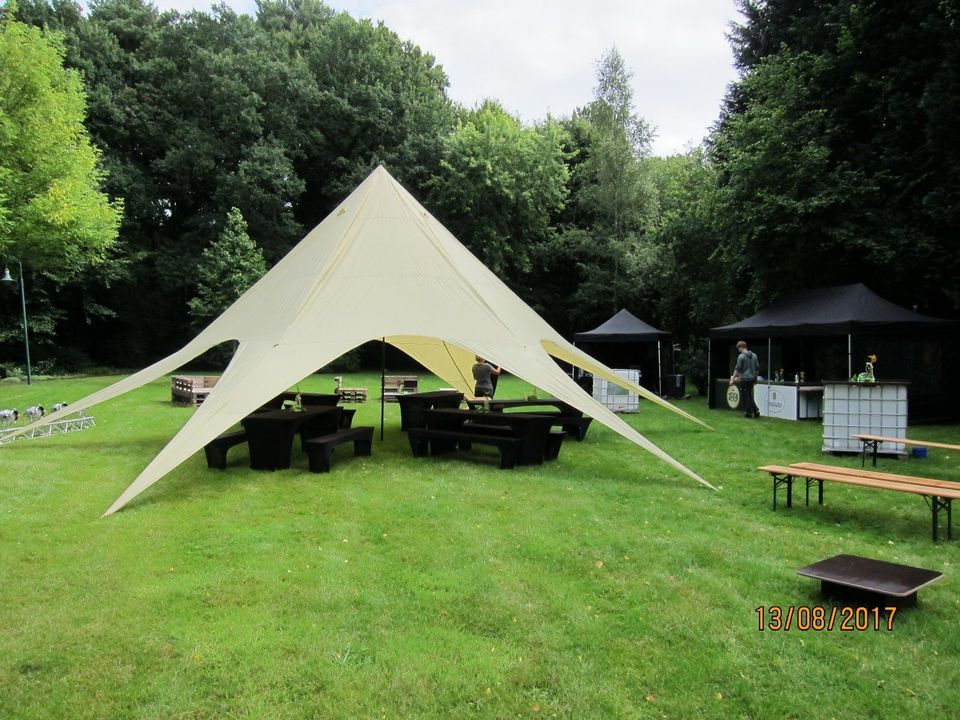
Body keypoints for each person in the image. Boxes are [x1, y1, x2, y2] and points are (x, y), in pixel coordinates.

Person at [729, 340, 760, 418]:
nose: (738, 350)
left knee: (745, 396)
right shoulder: (755, 356)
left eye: (738, 348)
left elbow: (737, 368)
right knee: (749, 395)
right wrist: (755, 379)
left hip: (744, 379)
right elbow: (757, 369)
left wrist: (732, 379)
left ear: (741, 347)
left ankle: (748, 412)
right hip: (752, 379)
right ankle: (756, 411)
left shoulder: (741, 356)